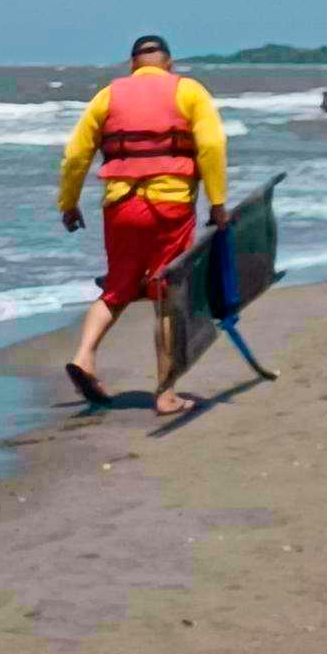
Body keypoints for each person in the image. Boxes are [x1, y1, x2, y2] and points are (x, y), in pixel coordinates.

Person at [58, 35, 228, 416]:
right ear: (169, 63)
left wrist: (68, 203)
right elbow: (212, 145)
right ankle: (166, 393)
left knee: (118, 287)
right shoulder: (189, 90)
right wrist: (218, 203)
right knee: (166, 295)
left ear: (132, 64)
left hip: (121, 206)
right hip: (171, 207)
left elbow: (75, 155)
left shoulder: (109, 95)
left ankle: (84, 356)